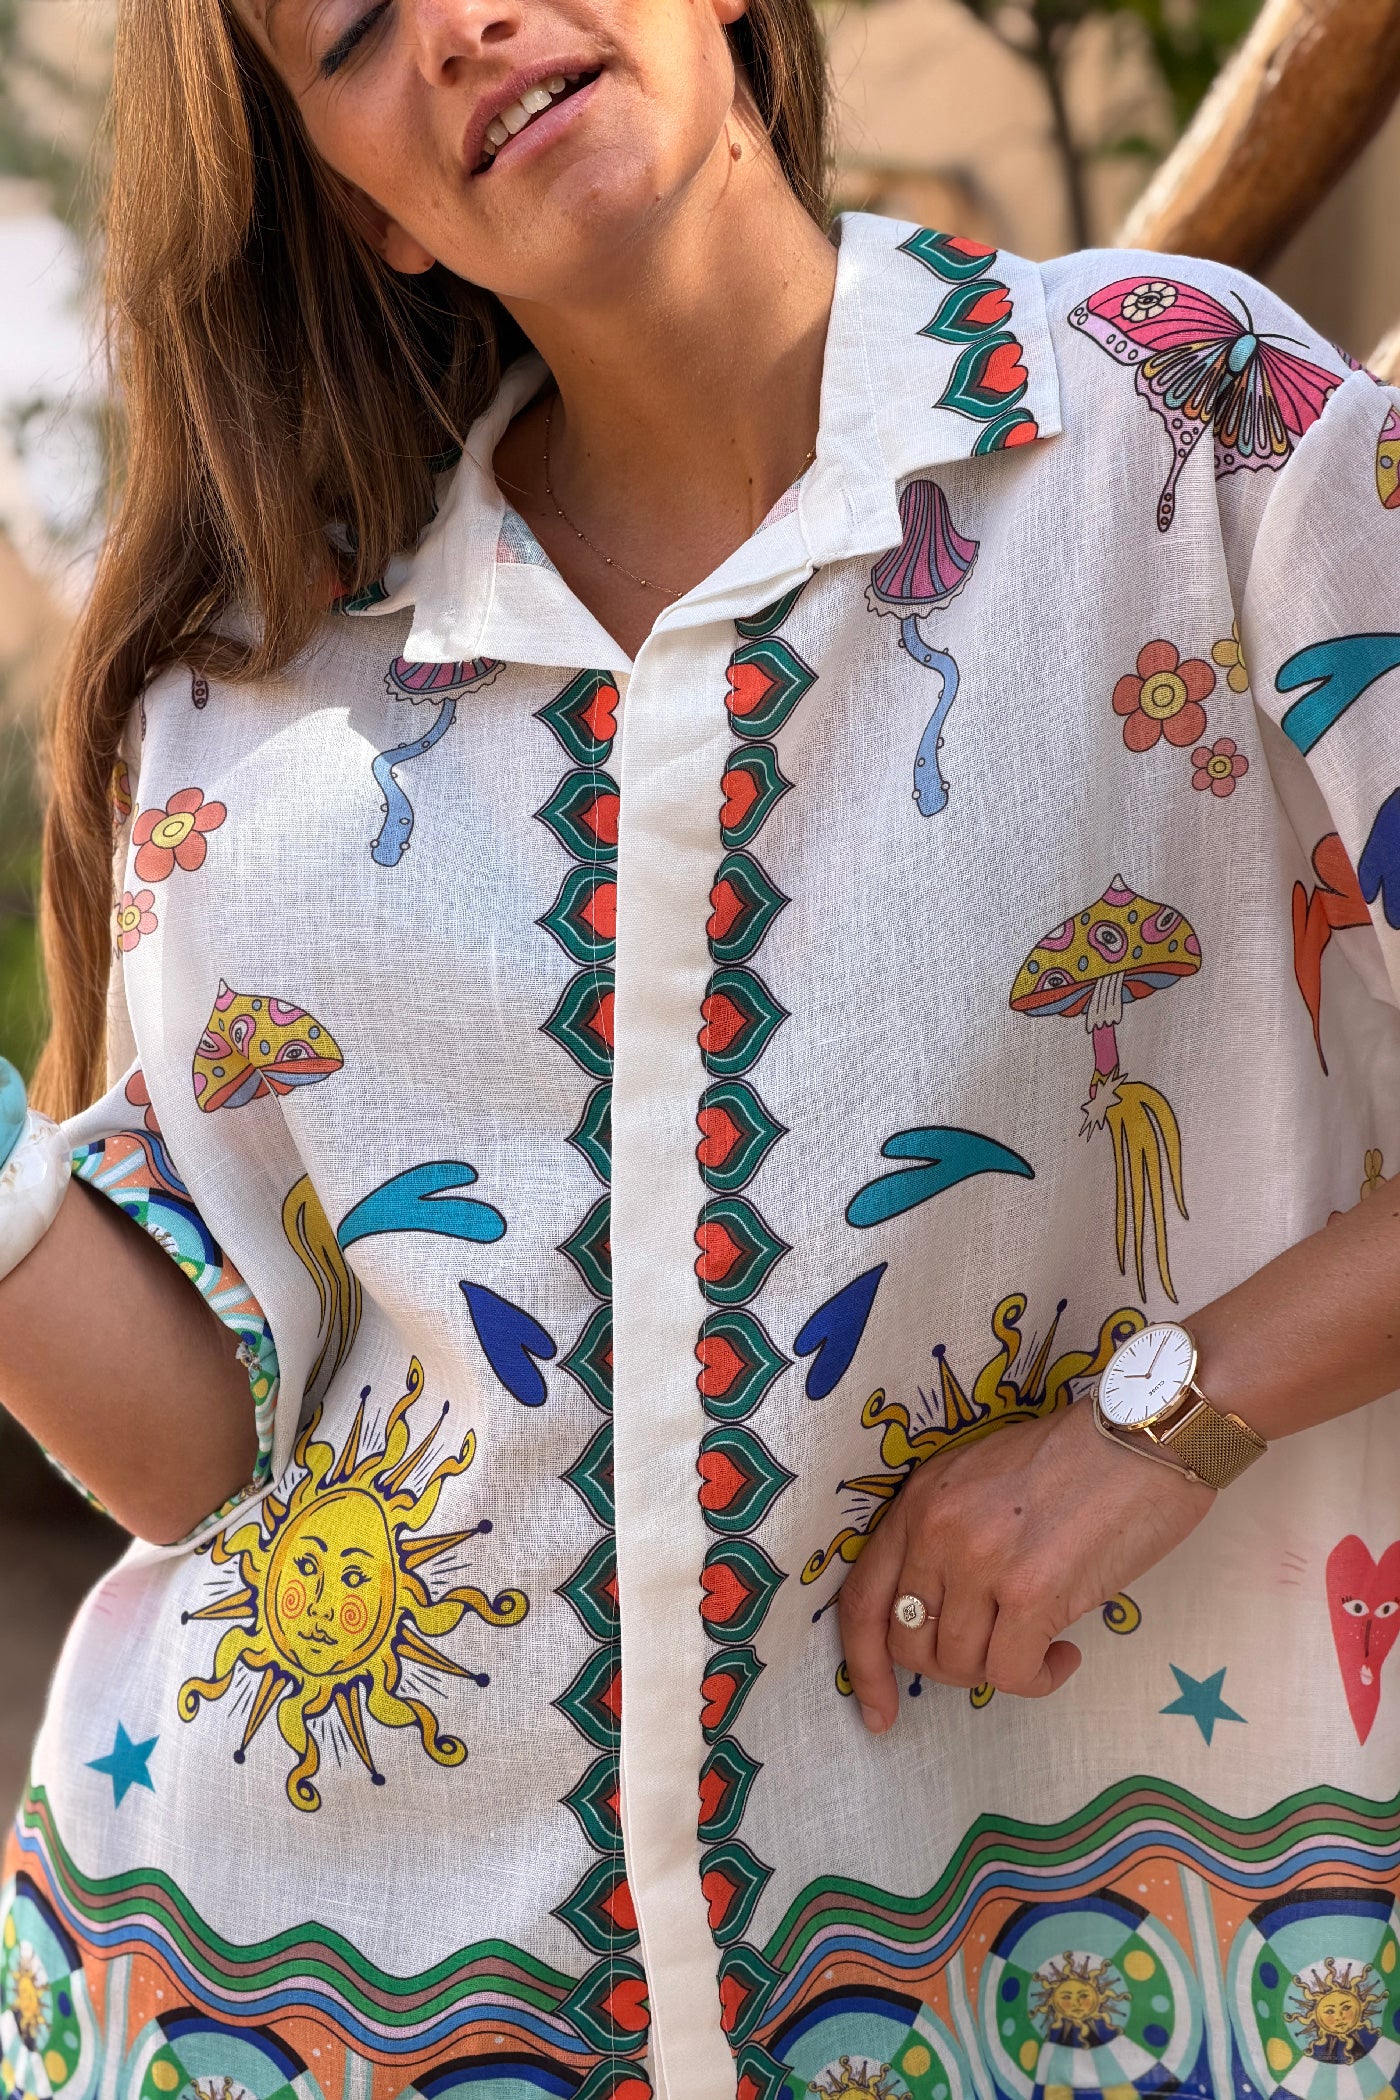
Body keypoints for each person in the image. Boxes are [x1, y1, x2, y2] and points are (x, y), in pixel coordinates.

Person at [1, 0, 1399, 2093]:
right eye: (357, 34)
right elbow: (204, 1448)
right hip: (310, 2004)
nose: (465, 23)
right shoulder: (247, 703)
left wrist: (1155, 1420)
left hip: (1088, 1974)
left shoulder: (1188, 421)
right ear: (366, 209)